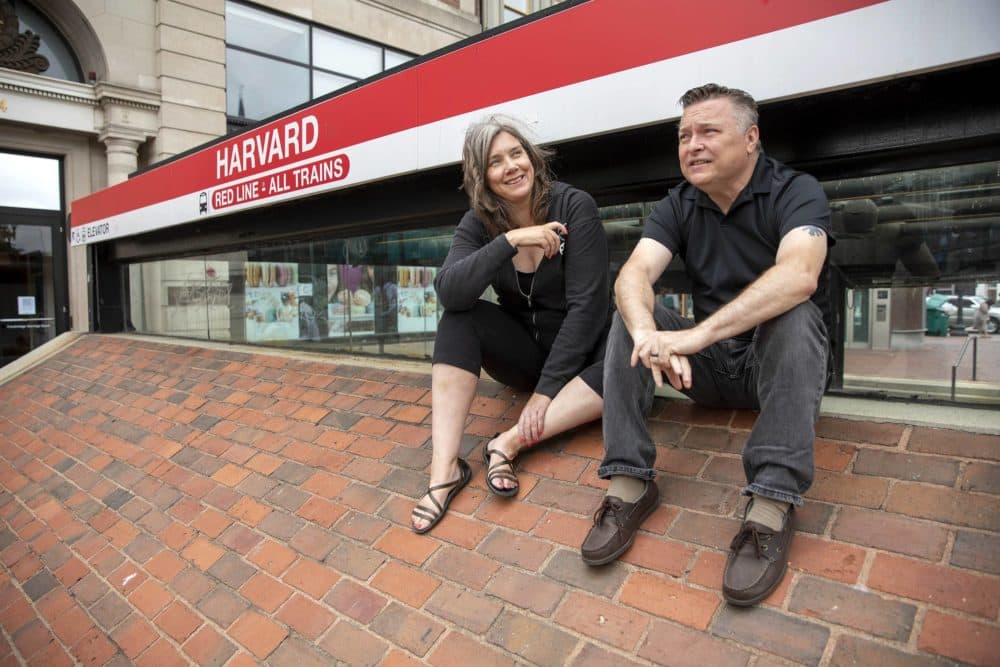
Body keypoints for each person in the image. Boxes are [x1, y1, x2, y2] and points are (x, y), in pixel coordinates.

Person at [581, 84, 834, 608]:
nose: (692, 145)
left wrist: (697, 334)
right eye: (684, 135)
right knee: (631, 314)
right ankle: (628, 481)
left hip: (775, 367)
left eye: (708, 132)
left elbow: (799, 274)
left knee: (795, 313)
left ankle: (770, 505)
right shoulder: (678, 203)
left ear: (750, 138)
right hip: (711, 373)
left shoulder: (796, 190)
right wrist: (649, 333)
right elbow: (634, 274)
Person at [411, 116, 612, 533]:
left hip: (584, 363)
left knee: (624, 363)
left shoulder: (575, 206)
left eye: (517, 153)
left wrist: (544, 393)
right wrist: (510, 241)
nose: (512, 166)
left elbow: (588, 310)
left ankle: (508, 443)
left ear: (532, 158)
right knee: (458, 317)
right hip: (525, 355)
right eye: (496, 161)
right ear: (482, 177)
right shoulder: (479, 223)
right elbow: (450, 291)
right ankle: (444, 470)